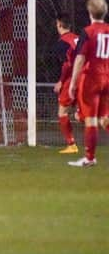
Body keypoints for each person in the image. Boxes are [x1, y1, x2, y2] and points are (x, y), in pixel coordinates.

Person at [67, 0, 109, 167]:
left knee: (91, 119)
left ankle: (90, 158)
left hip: (92, 78)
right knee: (104, 119)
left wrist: (73, 83)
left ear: (90, 13)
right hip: (107, 78)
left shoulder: (88, 32)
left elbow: (80, 59)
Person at [53, 14, 79, 153]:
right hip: (88, 75)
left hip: (72, 78)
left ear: (59, 25)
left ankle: (71, 145)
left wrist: (61, 82)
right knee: (77, 113)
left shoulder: (62, 42)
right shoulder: (78, 38)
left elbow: (67, 65)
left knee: (62, 112)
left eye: (57, 24)